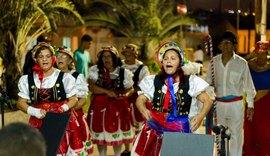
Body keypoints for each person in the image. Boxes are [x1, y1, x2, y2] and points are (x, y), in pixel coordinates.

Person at [131, 41, 213, 156]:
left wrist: (200, 117)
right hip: (156, 129)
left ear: (180, 62)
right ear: (162, 62)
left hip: (181, 129)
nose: (168, 61)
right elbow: (140, 99)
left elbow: (207, 100)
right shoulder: (154, 81)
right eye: (165, 58)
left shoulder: (190, 81)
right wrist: (143, 109)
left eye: (173, 58)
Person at [16, 42, 80, 155]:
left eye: (48, 56)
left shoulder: (64, 77)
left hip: (60, 121)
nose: (44, 59)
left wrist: (62, 108)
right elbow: (20, 103)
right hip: (38, 121)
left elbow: (74, 99)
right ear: (35, 59)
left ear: (53, 58)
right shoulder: (27, 80)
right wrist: (35, 111)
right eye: (41, 56)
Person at [206, 31, 256, 156]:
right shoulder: (213, 63)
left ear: (234, 46)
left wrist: (250, 105)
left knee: (235, 135)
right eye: (223, 43)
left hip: (236, 104)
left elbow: (249, 86)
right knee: (219, 134)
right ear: (219, 46)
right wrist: (210, 90)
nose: (225, 46)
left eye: (228, 43)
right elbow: (208, 83)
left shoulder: (241, 63)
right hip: (219, 104)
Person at [87, 46, 134, 156]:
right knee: (101, 132)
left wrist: (125, 95)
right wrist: (107, 92)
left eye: (109, 56)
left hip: (118, 106)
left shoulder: (124, 73)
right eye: (104, 56)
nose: (106, 59)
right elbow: (91, 87)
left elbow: (130, 88)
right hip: (99, 107)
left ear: (114, 58)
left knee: (117, 132)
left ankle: (117, 155)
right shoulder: (95, 71)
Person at [55, 46, 94, 155]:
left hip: (74, 115)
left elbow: (82, 100)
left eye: (63, 56)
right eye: (57, 56)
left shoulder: (77, 76)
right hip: (56, 116)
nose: (60, 58)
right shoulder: (51, 76)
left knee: (74, 148)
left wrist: (69, 111)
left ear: (70, 60)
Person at [120, 43, 150, 156]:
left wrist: (134, 90)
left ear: (135, 54)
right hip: (123, 98)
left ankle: (136, 148)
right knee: (125, 122)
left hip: (137, 98)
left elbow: (145, 84)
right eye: (125, 53)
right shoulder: (120, 66)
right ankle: (127, 149)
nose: (127, 56)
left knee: (138, 122)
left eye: (130, 53)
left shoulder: (142, 68)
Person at [243, 41, 270, 155]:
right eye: (258, 53)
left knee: (265, 130)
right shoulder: (248, 65)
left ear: (267, 54)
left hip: (266, 103)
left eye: (263, 53)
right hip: (251, 101)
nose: (260, 56)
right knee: (250, 129)